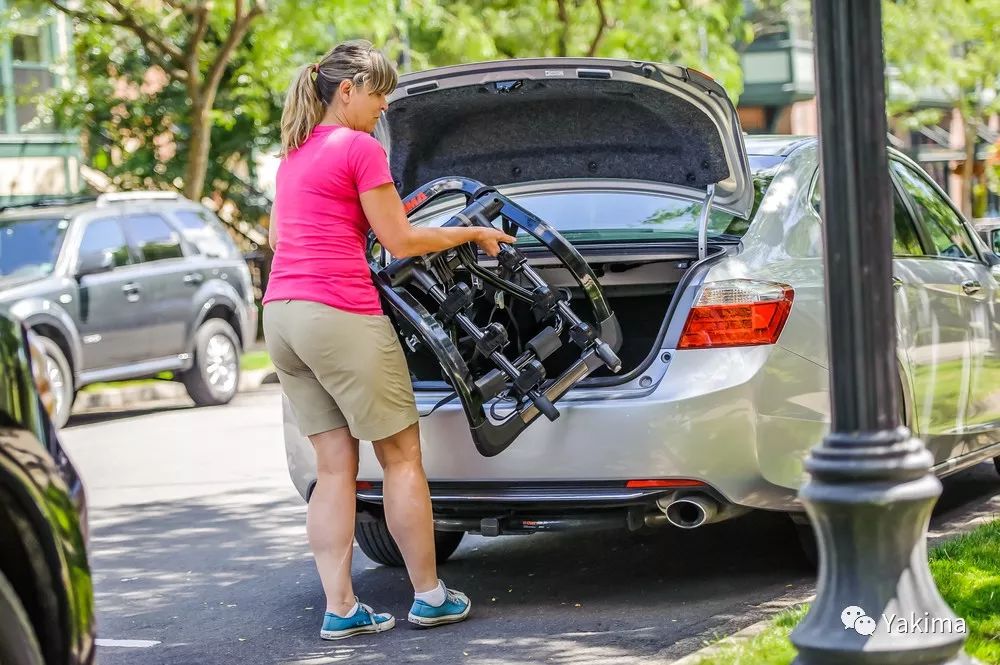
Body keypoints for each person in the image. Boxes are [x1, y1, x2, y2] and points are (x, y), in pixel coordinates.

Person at [263, 40, 515, 641]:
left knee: (333, 469)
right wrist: (472, 232)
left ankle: (342, 609)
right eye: (378, 94)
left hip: (282, 316)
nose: (383, 107)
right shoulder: (358, 148)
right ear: (347, 91)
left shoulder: (294, 155)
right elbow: (399, 241)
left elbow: (279, 238)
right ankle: (429, 595)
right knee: (401, 457)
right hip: (338, 312)